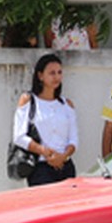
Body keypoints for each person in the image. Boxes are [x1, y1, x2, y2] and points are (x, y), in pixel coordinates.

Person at [14, 53, 78, 186]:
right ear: (40, 75)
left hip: (66, 166)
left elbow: (74, 139)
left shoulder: (67, 104)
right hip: (40, 168)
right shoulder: (29, 100)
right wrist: (43, 151)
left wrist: (63, 156)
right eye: (52, 73)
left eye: (59, 72)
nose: (56, 77)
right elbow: (19, 136)